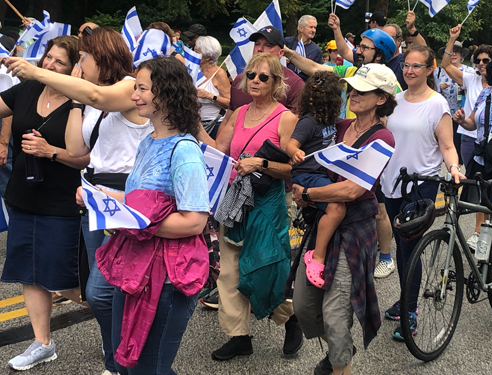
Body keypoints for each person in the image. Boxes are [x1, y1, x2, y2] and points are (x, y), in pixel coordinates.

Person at [7, 27, 155, 375]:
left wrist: (37, 71)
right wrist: (75, 103)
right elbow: (76, 149)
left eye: (84, 57)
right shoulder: (87, 99)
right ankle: (116, 355)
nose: (80, 64)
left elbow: (98, 96)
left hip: (122, 198)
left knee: (103, 291)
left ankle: (123, 358)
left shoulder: (126, 86)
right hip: (92, 197)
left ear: (101, 58)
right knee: (98, 288)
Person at [91, 56, 209, 375]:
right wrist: (103, 198)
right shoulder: (148, 141)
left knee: (149, 369)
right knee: (129, 366)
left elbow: (195, 221)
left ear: (166, 94)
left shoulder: (185, 151)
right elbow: (138, 201)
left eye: (142, 88)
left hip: (168, 276)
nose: (134, 95)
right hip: (136, 268)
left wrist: (132, 220)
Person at [290, 63, 397, 375]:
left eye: (362, 90)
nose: (353, 94)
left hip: (353, 226)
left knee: (336, 315)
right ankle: (341, 350)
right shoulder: (337, 126)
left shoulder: (383, 137)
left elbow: (352, 190)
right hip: (324, 220)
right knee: (304, 307)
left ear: (381, 98)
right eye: (351, 88)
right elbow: (306, 161)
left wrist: (308, 195)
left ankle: (340, 362)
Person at [198, 53, 302, 360]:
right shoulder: (239, 112)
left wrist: (263, 162)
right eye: (251, 75)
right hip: (234, 200)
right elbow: (217, 149)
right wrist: (190, 118)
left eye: (263, 77)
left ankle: (290, 316)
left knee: (262, 268)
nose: (255, 80)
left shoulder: (285, 118)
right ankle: (238, 336)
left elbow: (294, 169)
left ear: (276, 83)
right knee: (229, 272)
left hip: (267, 200)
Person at [0, 35, 90, 371]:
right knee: (30, 273)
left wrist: (50, 152)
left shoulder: (82, 102)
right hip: (22, 196)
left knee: (65, 277)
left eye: (60, 62)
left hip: (63, 200)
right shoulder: (27, 90)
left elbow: (87, 159)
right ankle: (43, 343)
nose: (50, 65)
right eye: (48, 58)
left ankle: (115, 317)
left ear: (74, 69)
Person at [380, 45, 465, 341]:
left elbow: (447, 146)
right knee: (402, 248)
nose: (409, 70)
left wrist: (454, 168)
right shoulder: (395, 100)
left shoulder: (436, 104)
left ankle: (411, 312)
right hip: (391, 181)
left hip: (421, 184)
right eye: (406, 64)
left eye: (417, 66)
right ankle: (406, 299)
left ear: (430, 70)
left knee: (410, 248)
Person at [286, 71, 345, 288]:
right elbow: (290, 144)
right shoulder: (309, 121)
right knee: (337, 207)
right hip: (307, 174)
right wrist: (295, 152)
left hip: (321, 174)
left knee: (336, 205)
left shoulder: (331, 121)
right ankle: (317, 256)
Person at [442, 24, 492, 250]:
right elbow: (445, 65)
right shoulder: (472, 80)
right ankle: (478, 232)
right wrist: (452, 39)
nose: (481, 64)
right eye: (478, 60)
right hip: (470, 138)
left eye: (486, 61)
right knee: (477, 186)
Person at [455, 52, 492, 203]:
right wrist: (462, 121)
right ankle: (478, 228)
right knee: (479, 204)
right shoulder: (486, 93)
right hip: (482, 156)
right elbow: (472, 123)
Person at [435, 41, 475, 164]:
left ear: (462, 55)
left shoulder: (468, 71)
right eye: (451, 52)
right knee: (443, 141)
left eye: (457, 52)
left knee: (458, 143)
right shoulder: (438, 71)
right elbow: (429, 89)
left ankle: (457, 165)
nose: (453, 54)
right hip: (443, 113)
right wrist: (438, 87)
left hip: (462, 112)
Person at [195, 36, 230, 139]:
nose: (194, 54)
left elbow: (229, 103)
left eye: (197, 52)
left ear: (208, 57)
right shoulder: (195, 71)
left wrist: (209, 96)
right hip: (197, 123)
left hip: (215, 124)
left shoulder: (219, 74)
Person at [285, 15, 322, 81]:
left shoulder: (316, 50)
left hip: (305, 86)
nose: (313, 30)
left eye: (315, 27)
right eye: (311, 27)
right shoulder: (287, 42)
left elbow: (318, 73)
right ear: (301, 28)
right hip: (286, 83)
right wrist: (282, 60)